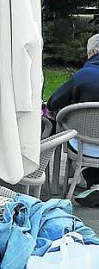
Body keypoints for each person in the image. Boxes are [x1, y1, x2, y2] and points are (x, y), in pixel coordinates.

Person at [47, 33, 99, 205]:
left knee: (79, 138)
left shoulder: (83, 76)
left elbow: (53, 102)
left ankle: (94, 184)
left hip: (86, 146)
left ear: (93, 52)